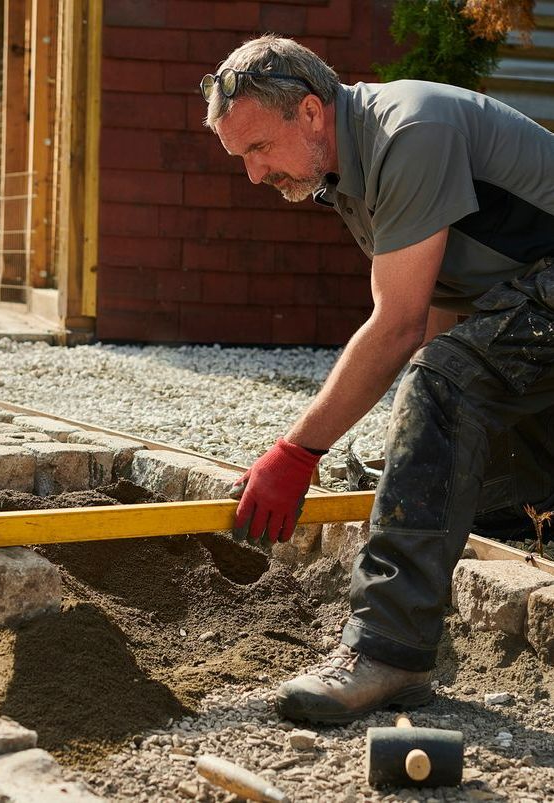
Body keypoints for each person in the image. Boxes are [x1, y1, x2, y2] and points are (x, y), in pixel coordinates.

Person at [201, 34, 554, 723]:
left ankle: (386, 650)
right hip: (534, 305)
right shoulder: (349, 173)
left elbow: (398, 328)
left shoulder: (408, 131)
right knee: (459, 475)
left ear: (308, 113)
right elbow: (441, 305)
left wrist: (298, 449)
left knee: (443, 383)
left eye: (257, 150)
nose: (253, 175)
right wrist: (421, 448)